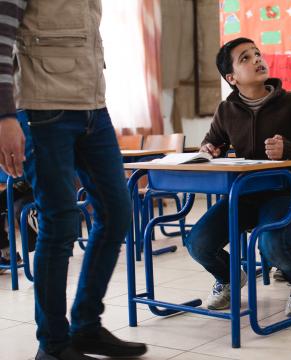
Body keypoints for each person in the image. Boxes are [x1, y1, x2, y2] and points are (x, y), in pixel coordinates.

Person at [0, 2, 147, 359]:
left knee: (116, 213)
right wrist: (4, 115)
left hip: (93, 109)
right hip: (41, 107)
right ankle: (53, 344)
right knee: (61, 223)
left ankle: (86, 327)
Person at [186, 37, 291, 318]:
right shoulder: (226, 110)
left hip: (289, 193)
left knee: (271, 244)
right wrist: (209, 149)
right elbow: (210, 145)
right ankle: (229, 278)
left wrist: (287, 149)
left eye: (257, 54)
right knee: (197, 242)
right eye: (245, 58)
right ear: (232, 77)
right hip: (245, 195)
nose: (256, 59)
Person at [0, 180, 37, 274]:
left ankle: (8, 255)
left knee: (21, 210)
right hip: (19, 185)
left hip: (35, 183)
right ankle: (7, 254)